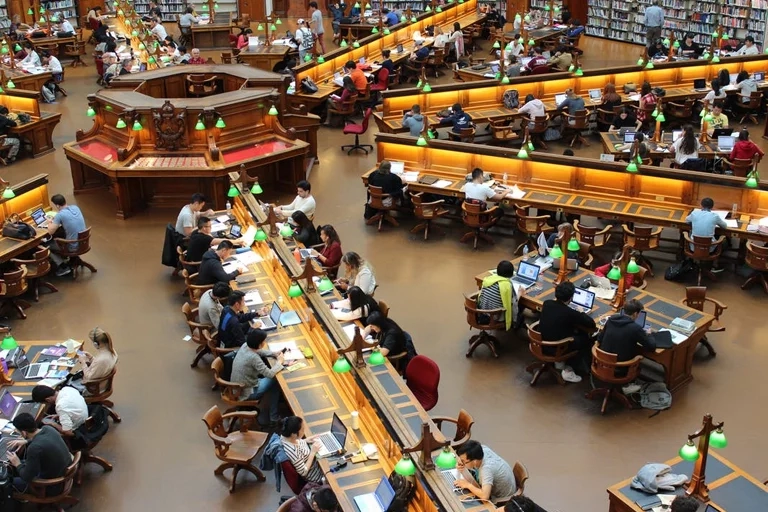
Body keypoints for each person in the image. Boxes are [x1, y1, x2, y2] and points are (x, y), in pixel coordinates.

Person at [539, 281, 596, 381]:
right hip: (557, 347)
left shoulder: (547, 303)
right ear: (571, 298)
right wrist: (582, 312)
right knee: (587, 338)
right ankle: (571, 367)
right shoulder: (569, 313)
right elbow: (591, 324)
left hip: (542, 341)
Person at [6, 413, 72, 496]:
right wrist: (27, 441)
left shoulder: (34, 448)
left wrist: (17, 463)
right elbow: (43, 439)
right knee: (19, 466)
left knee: (7, 482)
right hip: (62, 471)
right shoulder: (48, 429)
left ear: (23, 432)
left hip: (50, 485)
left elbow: (27, 477)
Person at [598, 299, 655, 391]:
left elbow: (599, 338)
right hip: (620, 368)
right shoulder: (635, 328)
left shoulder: (611, 319)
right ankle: (627, 386)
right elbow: (651, 347)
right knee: (639, 357)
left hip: (602, 363)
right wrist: (649, 334)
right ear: (636, 314)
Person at [231, 329, 284, 424]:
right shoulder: (253, 358)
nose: (265, 342)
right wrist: (280, 362)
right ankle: (274, 417)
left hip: (237, 387)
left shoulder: (245, 346)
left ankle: (274, 413)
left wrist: (273, 353)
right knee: (275, 380)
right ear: (259, 344)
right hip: (247, 391)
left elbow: (259, 351)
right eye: (263, 341)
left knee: (273, 382)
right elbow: (269, 374)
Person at [454, 440, 516, 505]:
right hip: (505, 485)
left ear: (474, 462)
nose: (462, 463)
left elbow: (485, 496)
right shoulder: (482, 449)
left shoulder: (486, 469)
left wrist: (467, 485)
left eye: (464, 461)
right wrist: (461, 460)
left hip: (502, 499)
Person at [47, 194, 87, 276]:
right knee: (61, 234)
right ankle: (71, 260)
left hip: (73, 246)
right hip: (83, 242)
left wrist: (49, 222)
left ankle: (63, 267)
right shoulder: (75, 207)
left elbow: (50, 231)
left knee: (46, 245)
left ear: (57, 205)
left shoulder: (60, 215)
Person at [279, 416, 325, 484]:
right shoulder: (293, 451)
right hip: (316, 476)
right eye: (302, 430)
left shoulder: (285, 437)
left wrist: (306, 440)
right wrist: (312, 452)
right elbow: (303, 472)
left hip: (315, 462)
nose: (304, 431)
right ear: (293, 434)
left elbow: (297, 442)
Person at [479, 260, 518, 330]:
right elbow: (514, 303)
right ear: (511, 274)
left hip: (482, 312)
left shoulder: (488, 279)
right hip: (495, 317)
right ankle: (514, 327)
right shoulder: (507, 285)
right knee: (520, 306)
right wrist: (520, 294)